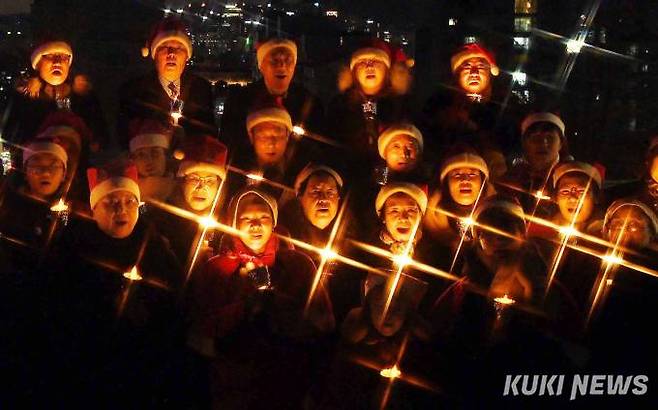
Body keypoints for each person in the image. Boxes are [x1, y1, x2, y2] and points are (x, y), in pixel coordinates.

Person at [43, 161, 182, 407]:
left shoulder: (155, 247)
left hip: (139, 368)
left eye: (129, 202)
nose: (122, 209)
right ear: (94, 210)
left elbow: (174, 303)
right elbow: (57, 305)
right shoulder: (73, 248)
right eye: (111, 203)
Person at [186, 188, 334, 409]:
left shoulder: (299, 264)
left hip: (286, 380)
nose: (255, 225)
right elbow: (202, 327)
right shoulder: (217, 267)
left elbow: (322, 322)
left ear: (273, 222)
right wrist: (245, 304)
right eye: (247, 218)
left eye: (263, 217)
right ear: (235, 223)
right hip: (233, 383)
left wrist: (275, 302)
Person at [221, 37, 324, 167]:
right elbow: (230, 144)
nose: (282, 65)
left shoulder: (310, 103)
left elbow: (317, 149)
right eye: (274, 60)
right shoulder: (239, 100)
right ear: (261, 66)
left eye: (288, 60)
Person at [119, 17, 215, 148]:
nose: (172, 54)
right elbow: (125, 141)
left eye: (179, 48)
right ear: (154, 54)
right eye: (165, 47)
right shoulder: (134, 92)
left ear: (187, 56)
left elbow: (209, 136)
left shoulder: (201, 89)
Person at [327, 39, 414, 176]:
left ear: (387, 71)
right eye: (363, 62)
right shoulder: (340, 105)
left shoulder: (402, 105)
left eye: (376, 61)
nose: (369, 67)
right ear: (353, 71)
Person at [420, 43, 508, 179]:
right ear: (456, 74)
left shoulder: (503, 107)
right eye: (467, 67)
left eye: (480, 67)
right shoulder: (439, 105)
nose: (474, 73)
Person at [4, 38, 108, 150]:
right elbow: (10, 136)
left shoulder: (83, 96)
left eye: (63, 57)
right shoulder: (25, 96)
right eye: (49, 56)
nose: (57, 62)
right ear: (37, 64)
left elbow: (101, 137)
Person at [497, 112, 569, 214]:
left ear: (561, 143)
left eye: (550, 138)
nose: (543, 143)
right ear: (525, 143)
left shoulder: (570, 180)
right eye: (536, 138)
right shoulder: (510, 180)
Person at [128, 118, 175, 201]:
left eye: (155, 153)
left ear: (165, 157)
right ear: (133, 160)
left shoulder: (179, 191)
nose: (148, 160)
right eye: (141, 154)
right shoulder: (128, 194)